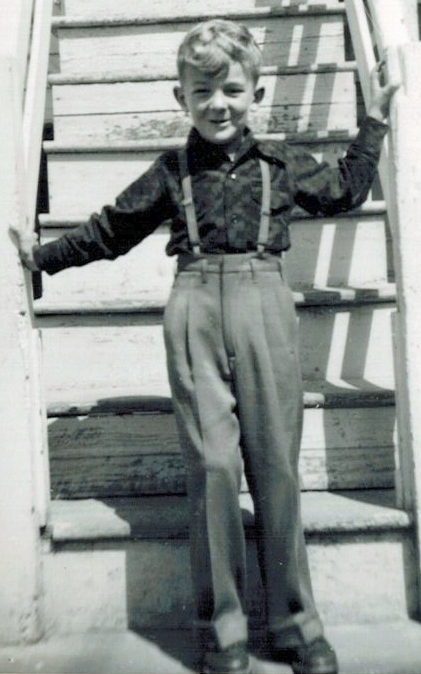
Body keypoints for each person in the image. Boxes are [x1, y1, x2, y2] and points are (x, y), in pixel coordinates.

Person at [13, 19, 398, 674]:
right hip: (192, 307)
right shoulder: (171, 172)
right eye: (202, 91)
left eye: (232, 90)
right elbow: (113, 227)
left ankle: (293, 625)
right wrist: (42, 257)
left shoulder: (279, 163)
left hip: (265, 304)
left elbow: (343, 190)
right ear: (180, 98)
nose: (218, 104)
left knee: (275, 464)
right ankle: (221, 632)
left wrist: (373, 128)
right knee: (214, 468)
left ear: (256, 93)